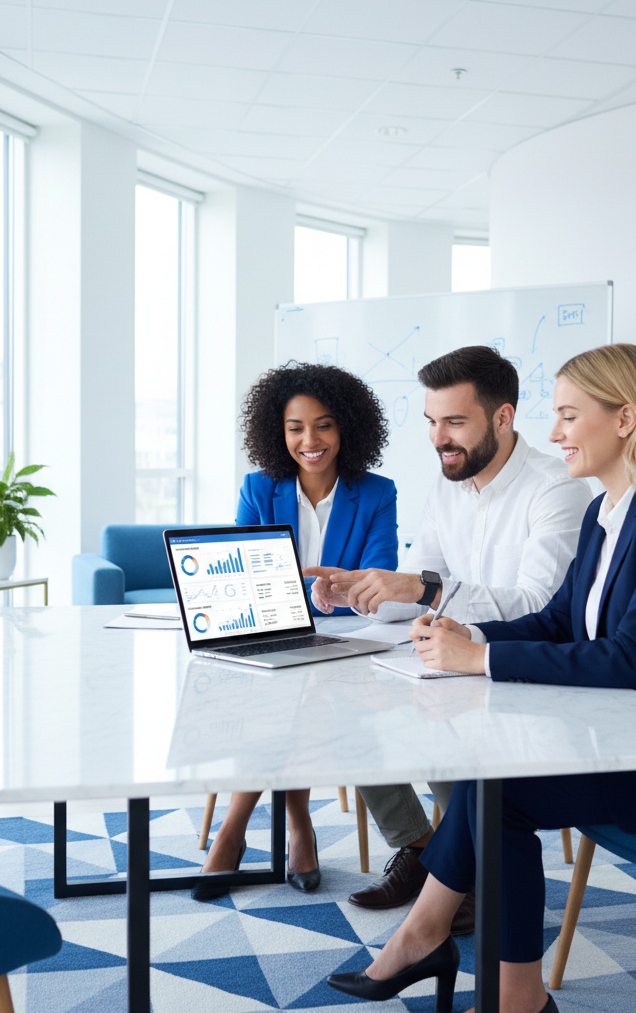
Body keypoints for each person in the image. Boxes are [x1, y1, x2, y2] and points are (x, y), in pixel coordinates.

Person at [325, 342, 636, 1013]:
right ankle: (438, 944)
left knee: (501, 794)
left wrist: (481, 661)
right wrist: (471, 637)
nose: (554, 433)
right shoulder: (606, 513)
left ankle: (475, 970)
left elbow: (630, 657)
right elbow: (558, 620)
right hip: (626, 737)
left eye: (569, 416)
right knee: (489, 776)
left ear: (626, 419)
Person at [306, 345, 591, 930]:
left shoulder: (556, 489)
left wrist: (423, 589)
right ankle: (421, 849)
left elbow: (539, 607)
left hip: (518, 668)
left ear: (503, 417)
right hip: (453, 661)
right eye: (432, 422)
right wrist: (364, 588)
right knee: (348, 697)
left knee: (432, 707)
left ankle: (467, 867)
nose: (439, 439)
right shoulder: (447, 488)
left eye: (455, 422)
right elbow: (421, 585)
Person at [193, 361, 399, 901]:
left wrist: (333, 591)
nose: (310, 441)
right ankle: (297, 825)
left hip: (344, 641)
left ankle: (234, 833)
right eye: (296, 428)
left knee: (295, 691)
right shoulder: (259, 488)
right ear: (277, 432)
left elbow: (376, 580)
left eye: (324, 425)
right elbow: (242, 572)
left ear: (346, 427)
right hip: (269, 633)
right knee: (280, 691)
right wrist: (318, 589)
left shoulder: (377, 493)